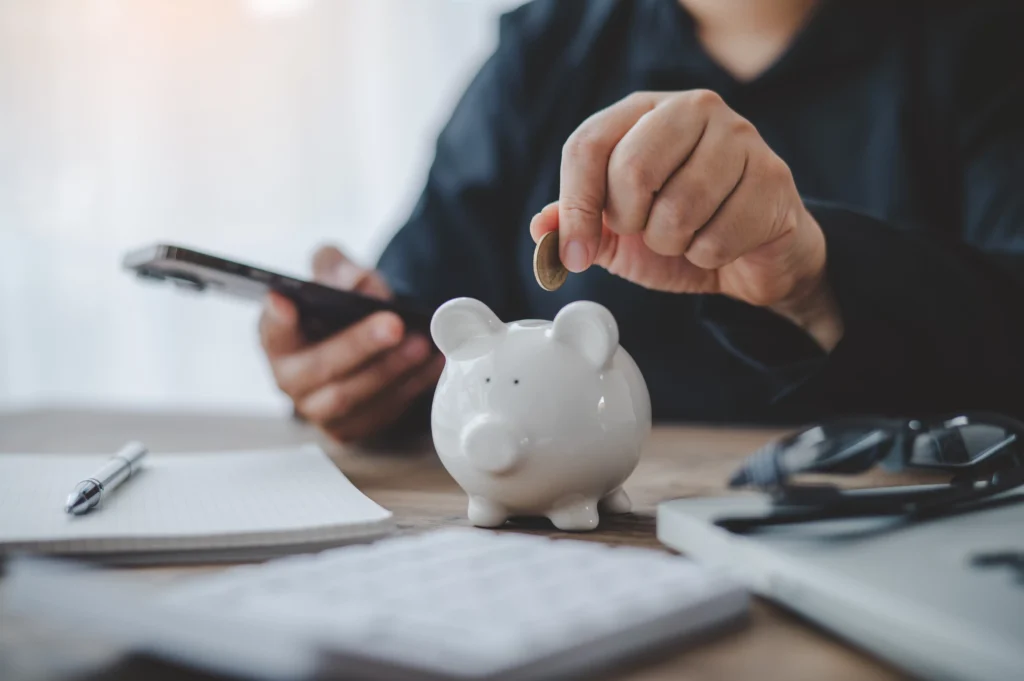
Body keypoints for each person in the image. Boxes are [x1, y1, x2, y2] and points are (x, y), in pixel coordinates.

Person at [259, 0, 1024, 445]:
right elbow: (428, 324)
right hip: (566, 555)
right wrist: (347, 367)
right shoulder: (544, 48)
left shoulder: (990, 40)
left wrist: (809, 275)